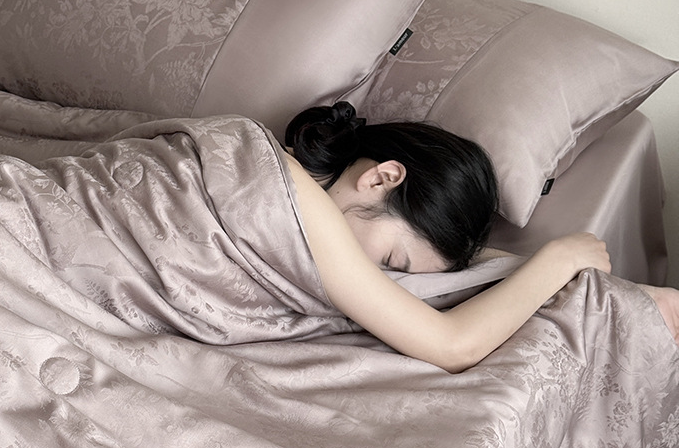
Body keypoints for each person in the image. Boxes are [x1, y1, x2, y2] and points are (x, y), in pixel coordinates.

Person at [284, 102, 679, 373]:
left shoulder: (304, 191)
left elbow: (463, 278)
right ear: (381, 179)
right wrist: (560, 258)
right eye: (392, 261)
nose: (379, 277)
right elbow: (452, 346)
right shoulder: (300, 195)